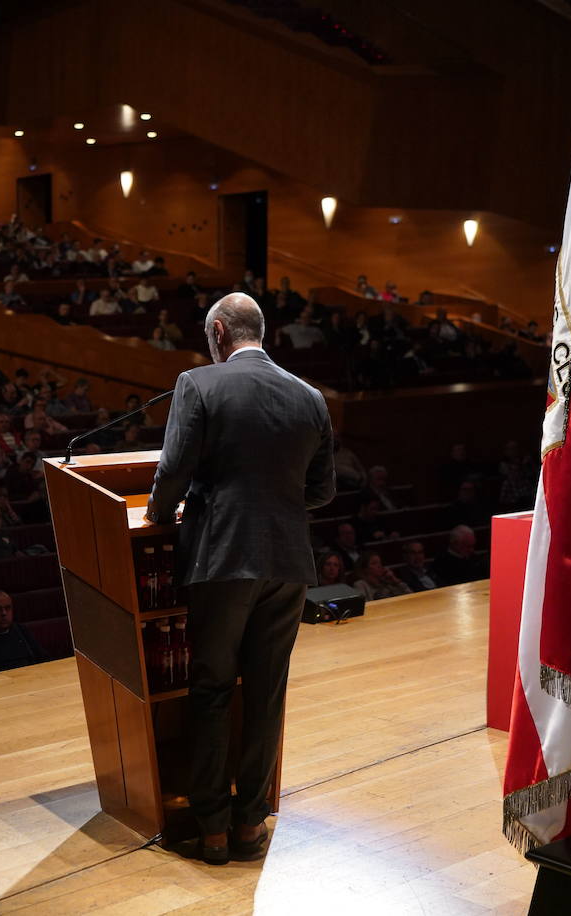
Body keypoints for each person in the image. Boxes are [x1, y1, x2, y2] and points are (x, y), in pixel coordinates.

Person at [143, 292, 334, 865]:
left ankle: (213, 830)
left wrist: (158, 512)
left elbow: (173, 471)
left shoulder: (197, 385)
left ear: (219, 331)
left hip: (222, 559)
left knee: (211, 690)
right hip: (288, 563)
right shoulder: (312, 397)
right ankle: (251, 824)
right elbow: (322, 491)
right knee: (266, 693)